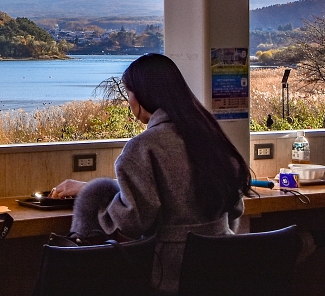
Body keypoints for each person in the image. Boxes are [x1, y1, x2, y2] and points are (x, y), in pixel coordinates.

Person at [50, 53, 251, 295]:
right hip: (226, 269)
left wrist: (94, 194)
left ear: (143, 94)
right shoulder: (210, 135)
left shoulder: (143, 147)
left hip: (169, 274)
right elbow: (235, 207)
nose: (128, 101)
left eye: (129, 92)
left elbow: (131, 222)